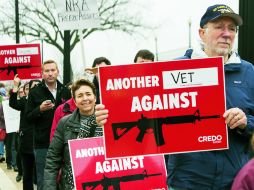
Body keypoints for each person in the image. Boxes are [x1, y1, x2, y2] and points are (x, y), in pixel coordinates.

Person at [95, 4, 254, 189]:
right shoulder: (174, 69)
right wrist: (110, 115)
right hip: (186, 181)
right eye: (219, 27)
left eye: (232, 29)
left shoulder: (249, 72)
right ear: (202, 33)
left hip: (234, 181)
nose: (227, 33)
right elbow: (141, 106)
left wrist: (246, 122)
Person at [44, 79, 102, 190]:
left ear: (95, 98)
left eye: (88, 94)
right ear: (74, 101)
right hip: (71, 185)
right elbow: (52, 160)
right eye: (80, 96)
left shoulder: (106, 122)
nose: (85, 98)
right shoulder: (64, 123)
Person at [26, 60, 71, 190]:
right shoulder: (35, 92)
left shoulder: (65, 91)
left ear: (58, 72)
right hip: (42, 144)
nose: (50, 73)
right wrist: (39, 109)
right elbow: (28, 118)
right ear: (42, 73)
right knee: (44, 180)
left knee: (65, 179)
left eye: (53, 70)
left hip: (64, 143)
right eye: (47, 71)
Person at [9, 75, 40, 189]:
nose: (36, 89)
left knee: (40, 174)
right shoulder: (24, 102)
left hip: (42, 143)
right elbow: (12, 103)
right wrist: (16, 86)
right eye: (33, 87)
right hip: (27, 143)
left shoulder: (46, 101)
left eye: (38, 86)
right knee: (27, 175)